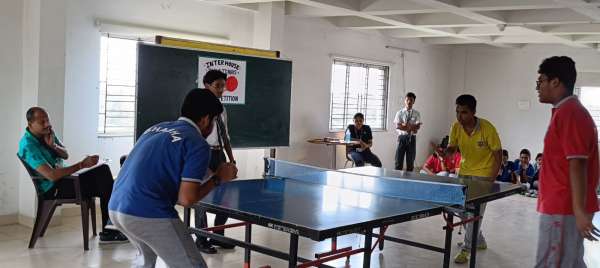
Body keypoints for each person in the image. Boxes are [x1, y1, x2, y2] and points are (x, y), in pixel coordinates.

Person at [109, 89, 238, 268]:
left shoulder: (155, 129)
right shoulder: (198, 143)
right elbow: (186, 198)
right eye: (215, 121)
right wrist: (218, 178)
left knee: (145, 263)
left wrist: (210, 173)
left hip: (116, 208)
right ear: (206, 119)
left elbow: (168, 162)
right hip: (148, 212)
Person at [17, 107, 127, 243]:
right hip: (54, 188)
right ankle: (110, 231)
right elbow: (51, 175)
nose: (47, 124)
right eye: (42, 122)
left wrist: (54, 146)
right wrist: (81, 165)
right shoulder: (28, 145)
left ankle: (110, 230)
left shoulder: (47, 133)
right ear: (30, 124)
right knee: (104, 180)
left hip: (65, 180)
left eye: (47, 120)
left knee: (102, 171)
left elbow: (66, 155)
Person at [535, 56, 599, 267]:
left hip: (564, 206)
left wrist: (579, 211)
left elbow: (578, 163)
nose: (538, 86)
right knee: (569, 262)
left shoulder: (571, 113)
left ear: (555, 82)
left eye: (541, 80)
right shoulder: (564, 112)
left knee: (553, 263)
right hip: (560, 205)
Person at [444, 94, 502, 264]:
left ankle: (467, 249)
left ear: (473, 112)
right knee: (461, 210)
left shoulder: (487, 128)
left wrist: (491, 179)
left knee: (474, 212)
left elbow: (498, 155)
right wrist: (446, 152)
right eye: (457, 112)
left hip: (483, 175)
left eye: (463, 112)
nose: (459, 116)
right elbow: (452, 148)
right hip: (464, 172)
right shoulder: (456, 127)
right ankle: (479, 239)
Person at [194, 70, 237, 253]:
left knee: (226, 197)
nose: (221, 89)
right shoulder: (198, 107)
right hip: (204, 154)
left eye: (223, 86)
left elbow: (225, 136)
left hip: (220, 155)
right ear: (206, 85)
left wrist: (231, 159)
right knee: (202, 196)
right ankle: (202, 239)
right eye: (217, 85)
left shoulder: (222, 109)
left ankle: (218, 234)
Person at [394, 92, 422, 171]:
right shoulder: (399, 113)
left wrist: (405, 126)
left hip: (412, 138)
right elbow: (398, 126)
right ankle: (396, 180)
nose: (409, 102)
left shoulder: (417, 113)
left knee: (410, 162)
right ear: (405, 101)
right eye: (407, 100)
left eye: (411, 100)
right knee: (398, 161)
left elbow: (417, 127)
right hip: (402, 138)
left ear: (414, 101)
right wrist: (411, 127)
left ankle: (409, 181)